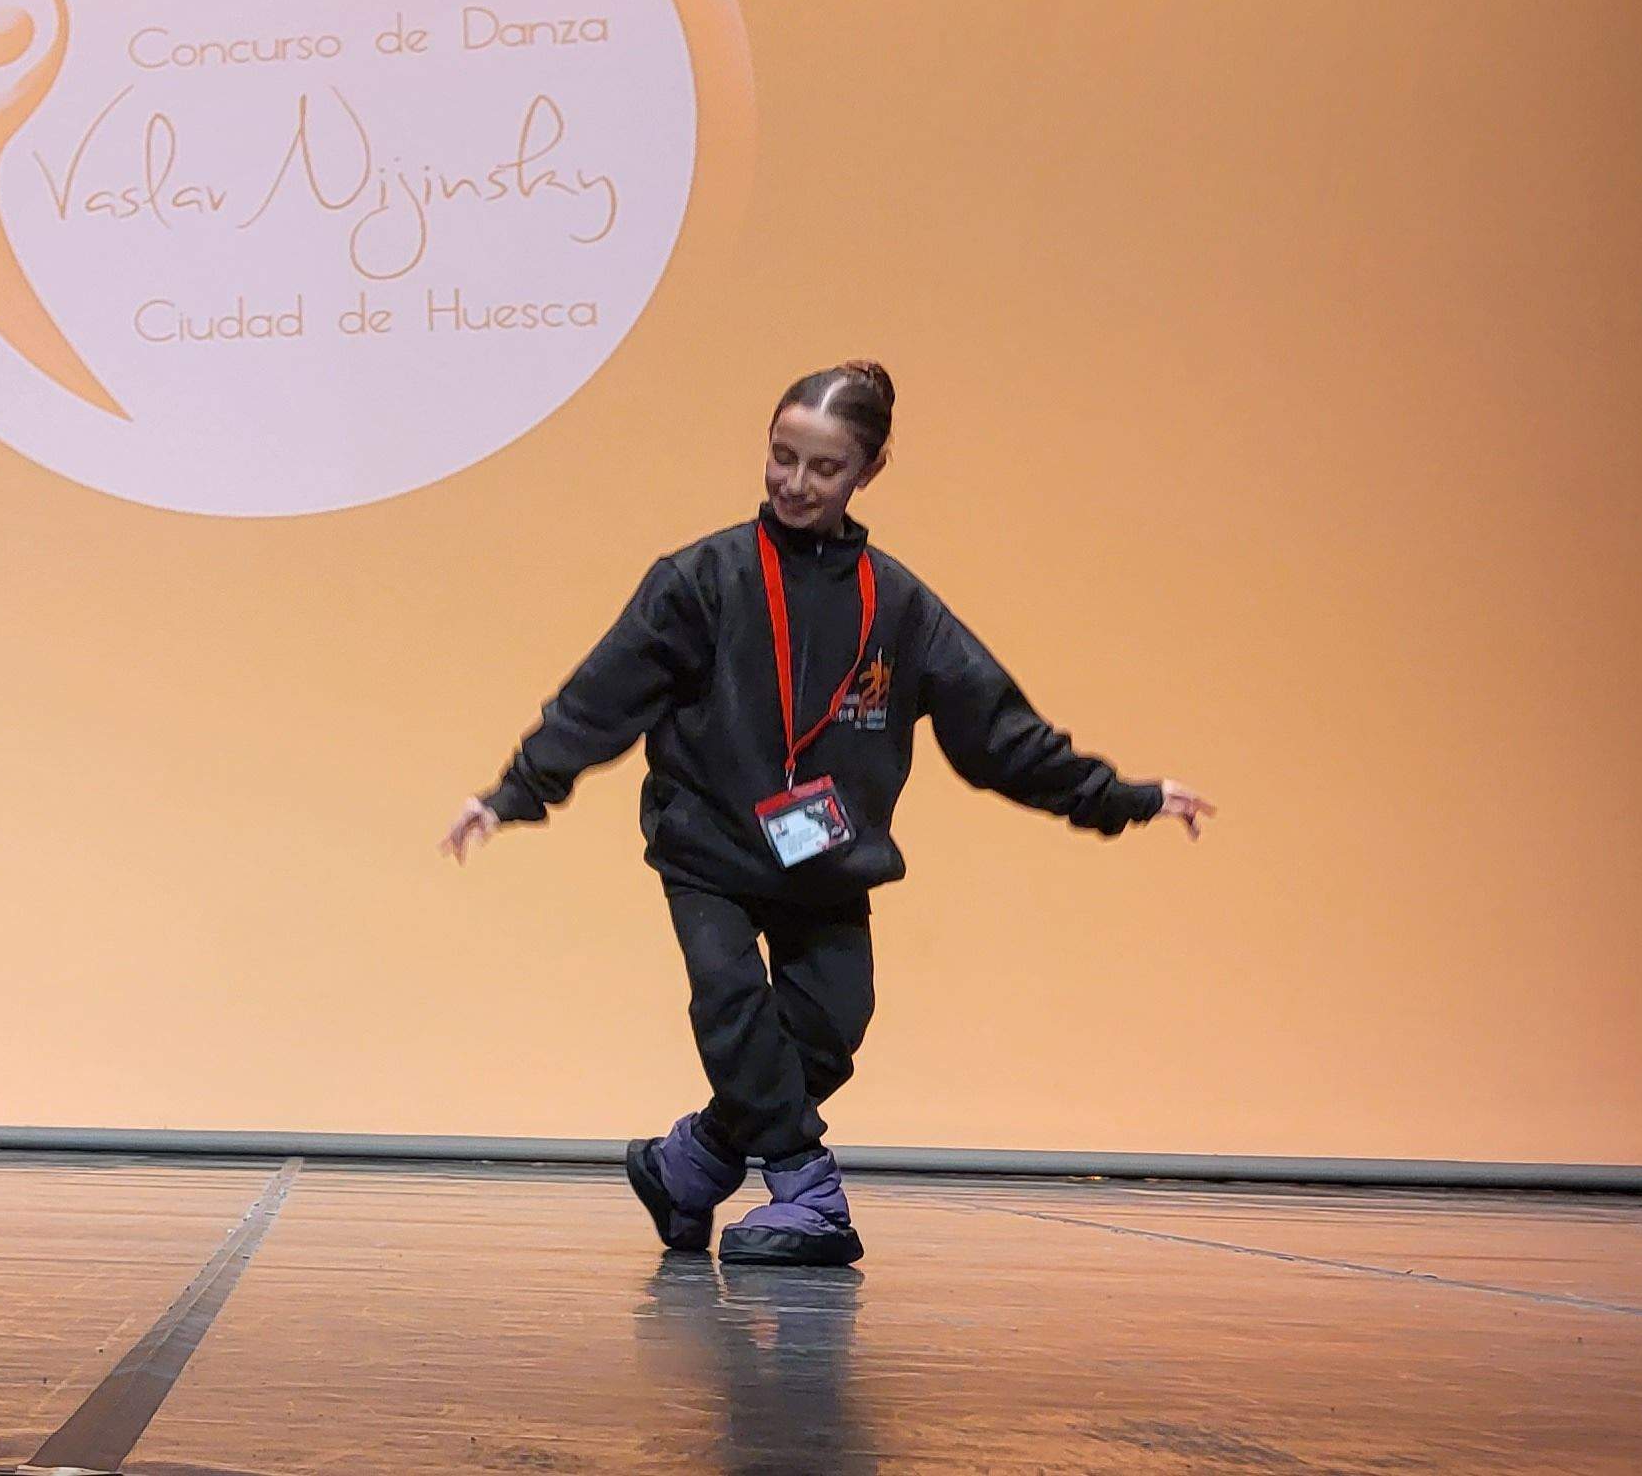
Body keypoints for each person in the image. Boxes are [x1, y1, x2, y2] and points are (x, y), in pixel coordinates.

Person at [440, 361, 1215, 1266]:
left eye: (824, 468)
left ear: (869, 471)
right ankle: (808, 1188)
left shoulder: (900, 605)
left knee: (833, 1023)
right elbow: (600, 698)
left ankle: (688, 1165)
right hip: (711, 846)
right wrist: (514, 792)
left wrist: (1124, 797)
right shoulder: (701, 580)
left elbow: (998, 730)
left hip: (825, 855)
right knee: (732, 1006)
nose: (794, 484)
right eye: (781, 458)